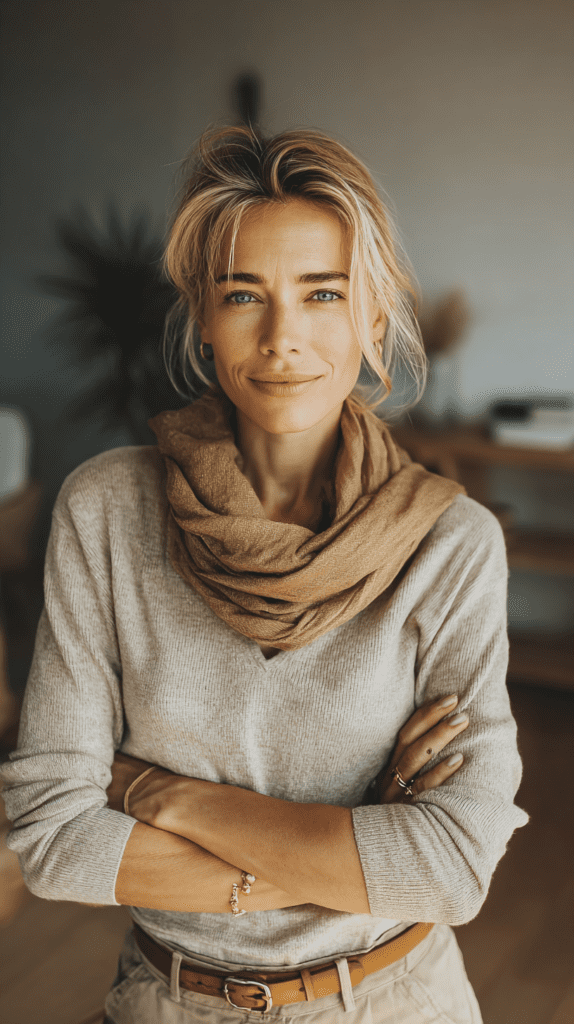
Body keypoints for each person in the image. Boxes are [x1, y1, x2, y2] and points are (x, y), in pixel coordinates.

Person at [1, 125, 528, 1023]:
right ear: (204, 322)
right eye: (245, 295)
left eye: (323, 293)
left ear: (372, 317)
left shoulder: (451, 546)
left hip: (396, 1000)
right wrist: (359, 844)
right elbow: (53, 841)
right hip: (166, 1001)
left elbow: (451, 868)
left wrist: (157, 792)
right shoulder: (109, 509)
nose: (284, 337)